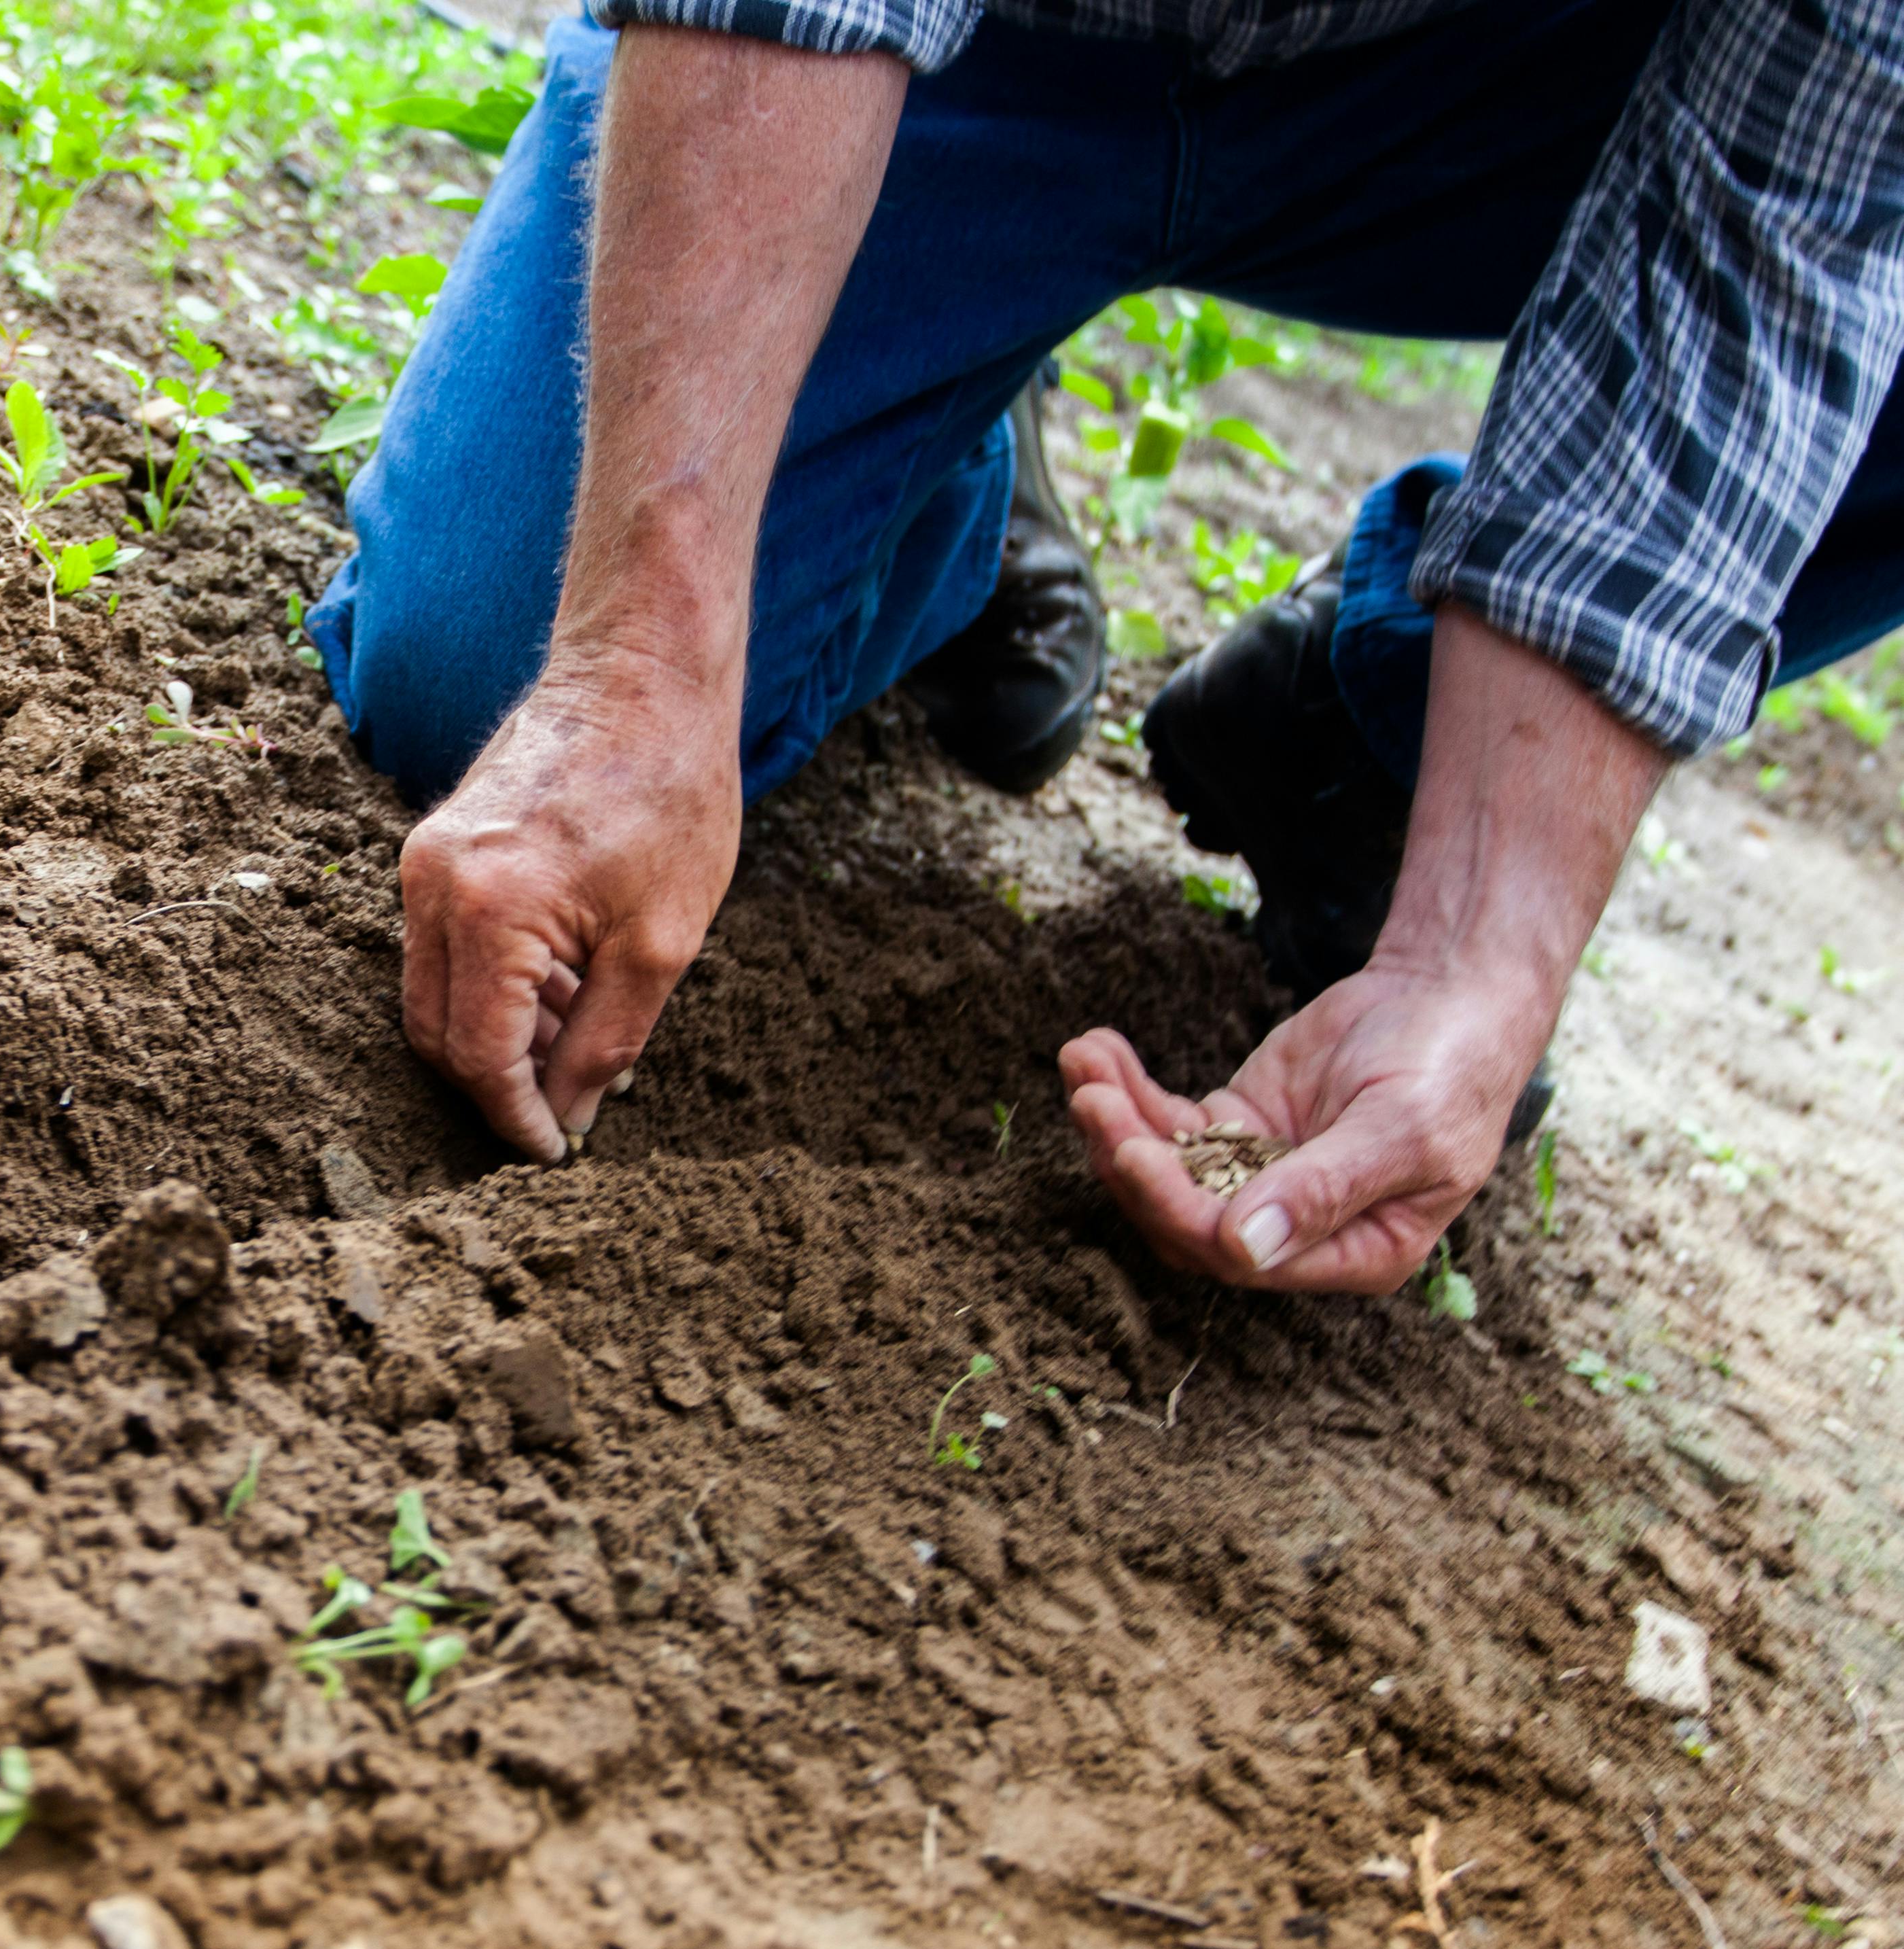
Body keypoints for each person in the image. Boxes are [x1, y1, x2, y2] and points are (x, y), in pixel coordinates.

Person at [307, 0, 1904, 1293]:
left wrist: (1476, 951)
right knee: (487, 670)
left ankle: (1386, 732)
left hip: (1499, 92)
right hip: (989, 46)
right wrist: (635, 665)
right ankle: (944, 462)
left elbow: (1789, 223)